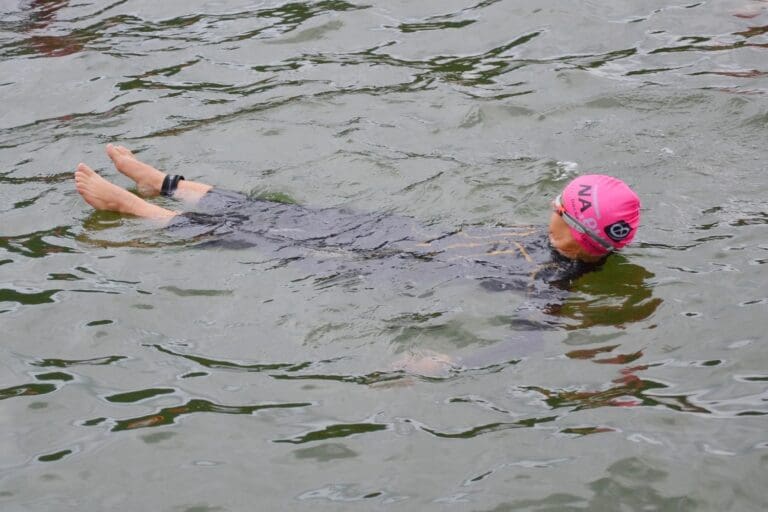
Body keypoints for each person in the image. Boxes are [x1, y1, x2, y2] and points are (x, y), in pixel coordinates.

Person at [75, 144, 640, 267]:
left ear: (569, 224)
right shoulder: (570, 252)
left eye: (559, 205)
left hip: (397, 264)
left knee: (273, 237)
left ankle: (136, 208)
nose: (550, 205)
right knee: (287, 218)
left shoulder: (554, 286)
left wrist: (441, 363)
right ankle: (168, 184)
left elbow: (521, 338)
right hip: (401, 235)